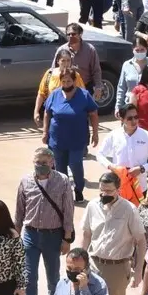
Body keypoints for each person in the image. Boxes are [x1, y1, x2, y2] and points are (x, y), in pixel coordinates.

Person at [79, 171, 146, 295]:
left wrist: (138, 271)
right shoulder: (92, 206)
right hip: (94, 263)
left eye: (109, 191)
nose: (104, 194)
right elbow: (86, 235)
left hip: (118, 266)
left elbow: (141, 241)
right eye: (101, 190)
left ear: (118, 190)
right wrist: (81, 264)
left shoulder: (129, 210)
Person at [15, 146, 76, 295]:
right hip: (30, 235)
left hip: (53, 235)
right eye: (37, 163)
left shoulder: (63, 181)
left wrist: (67, 238)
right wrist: (15, 237)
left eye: (44, 162)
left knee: (53, 279)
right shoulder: (25, 181)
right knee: (29, 279)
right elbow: (19, 212)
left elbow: (68, 211)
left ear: (52, 162)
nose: (40, 166)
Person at [42, 67, 99, 202]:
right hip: (57, 139)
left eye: (69, 81)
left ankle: (78, 189)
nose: (66, 84)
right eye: (63, 81)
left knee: (75, 164)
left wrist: (95, 133)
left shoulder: (84, 95)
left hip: (77, 139)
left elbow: (93, 114)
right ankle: (63, 193)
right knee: (60, 168)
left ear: (74, 81)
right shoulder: (55, 94)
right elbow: (47, 113)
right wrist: (45, 132)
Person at [96, 102, 148, 193]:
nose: (134, 121)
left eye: (136, 117)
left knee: (139, 207)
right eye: (130, 118)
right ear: (122, 119)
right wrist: (111, 166)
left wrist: (142, 168)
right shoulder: (113, 135)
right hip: (119, 187)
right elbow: (100, 154)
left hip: (140, 187)